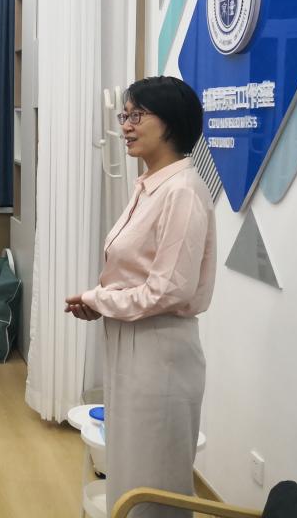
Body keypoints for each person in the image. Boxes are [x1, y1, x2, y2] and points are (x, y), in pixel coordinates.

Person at [65, 75, 216, 518]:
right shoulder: (150, 185)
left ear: (171, 122)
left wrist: (99, 298)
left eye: (137, 115)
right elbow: (136, 276)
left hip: (160, 352)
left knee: (153, 480)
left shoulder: (182, 191)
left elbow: (169, 290)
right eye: (124, 115)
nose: (126, 126)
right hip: (131, 339)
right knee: (127, 470)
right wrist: (100, 302)